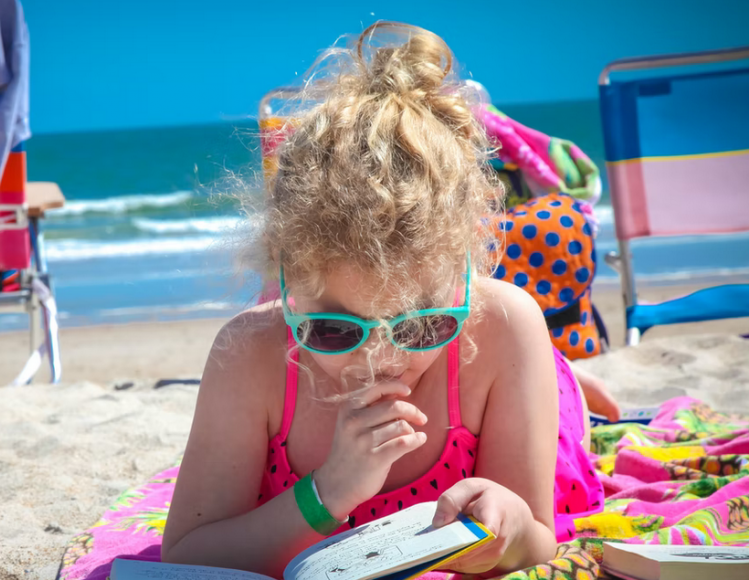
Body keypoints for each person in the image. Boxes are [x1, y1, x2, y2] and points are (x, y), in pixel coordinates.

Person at [162, 21, 604, 578]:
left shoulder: (503, 325)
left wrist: (509, 528)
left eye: (423, 327)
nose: (380, 358)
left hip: (514, 366)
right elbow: (185, 555)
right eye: (335, 329)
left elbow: (538, 538)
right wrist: (327, 493)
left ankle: (567, 382)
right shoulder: (250, 350)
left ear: (466, 273)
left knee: (568, 415)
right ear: (286, 286)